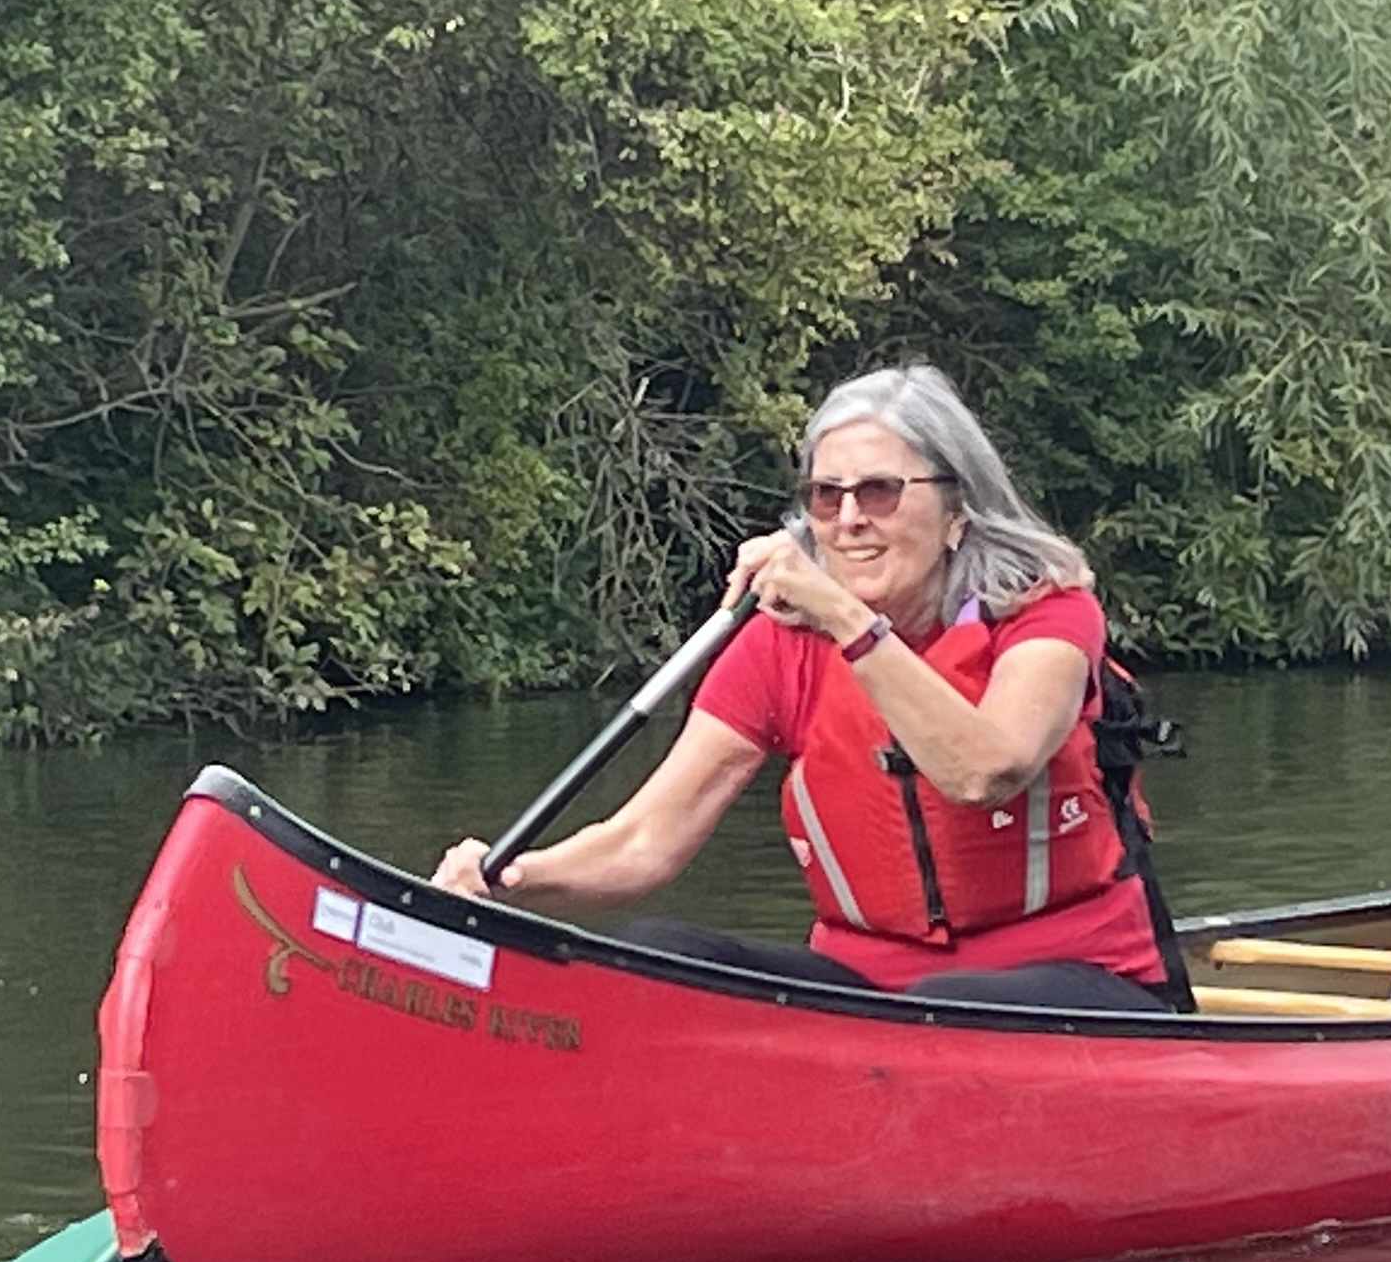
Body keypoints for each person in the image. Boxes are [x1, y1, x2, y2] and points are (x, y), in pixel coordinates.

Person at [433, 363, 1181, 1012]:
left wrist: (844, 617)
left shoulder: (1047, 617)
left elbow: (985, 770)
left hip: (1082, 977)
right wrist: (509, 877)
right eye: (827, 496)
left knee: (937, 1006)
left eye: (880, 492)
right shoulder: (780, 643)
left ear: (957, 511)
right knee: (656, 951)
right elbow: (644, 841)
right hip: (865, 986)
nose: (850, 520)